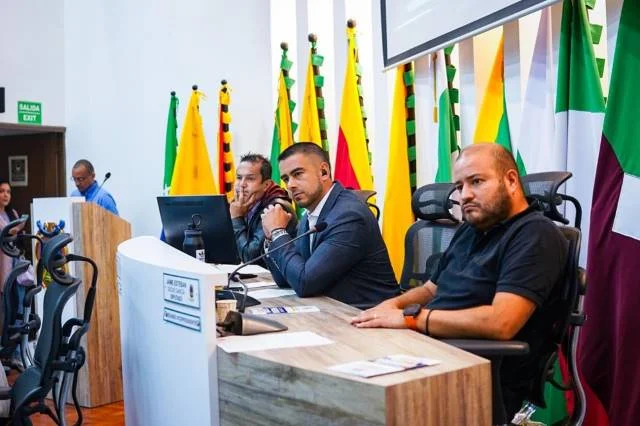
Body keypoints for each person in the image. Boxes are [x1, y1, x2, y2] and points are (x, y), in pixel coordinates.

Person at [351, 143, 568, 419]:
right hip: (433, 354)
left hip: (475, 374)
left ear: (511, 180)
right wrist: (387, 307)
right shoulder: (471, 229)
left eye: (476, 182)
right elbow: (431, 289)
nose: (464, 195)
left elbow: (501, 322)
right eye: (459, 186)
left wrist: (411, 320)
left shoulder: (535, 235)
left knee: (360, 406)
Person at [261, 142, 399, 306]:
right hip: (333, 312)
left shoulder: (349, 216)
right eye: (285, 178)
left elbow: (305, 283)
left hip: (368, 318)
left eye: (297, 174)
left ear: (324, 172)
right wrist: (271, 238)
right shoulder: (310, 214)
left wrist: (278, 232)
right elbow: (286, 279)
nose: (290, 185)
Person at [230, 153, 296, 265]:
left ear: (266, 185)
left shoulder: (276, 207)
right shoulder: (240, 205)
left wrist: (237, 219)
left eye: (250, 179)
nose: (241, 185)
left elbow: (251, 258)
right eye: (239, 178)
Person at [0, 180, 23, 292]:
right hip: (2, 257)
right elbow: (8, 230)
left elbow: (15, 230)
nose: (6, 195)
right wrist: (19, 227)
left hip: (13, 256)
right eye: (2, 191)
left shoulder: (12, 212)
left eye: (8, 192)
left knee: (12, 290)